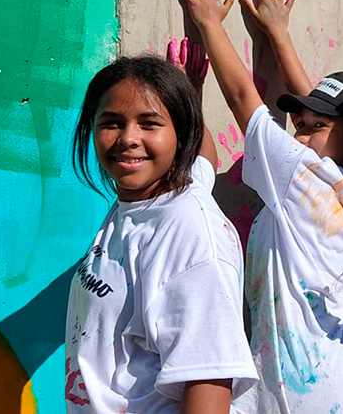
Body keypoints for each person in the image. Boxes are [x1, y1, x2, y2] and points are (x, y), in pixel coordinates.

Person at [173, 0, 343, 413]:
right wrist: (278, 36)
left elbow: (242, 99)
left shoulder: (306, 180)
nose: (299, 134)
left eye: (315, 127)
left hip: (311, 396)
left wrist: (209, 22)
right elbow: (320, 114)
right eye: (299, 124)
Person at [64, 53, 256, 413]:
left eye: (149, 124)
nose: (128, 139)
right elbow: (205, 159)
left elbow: (210, 381)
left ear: (181, 136)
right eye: (111, 123)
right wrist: (190, 86)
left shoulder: (190, 236)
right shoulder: (158, 191)